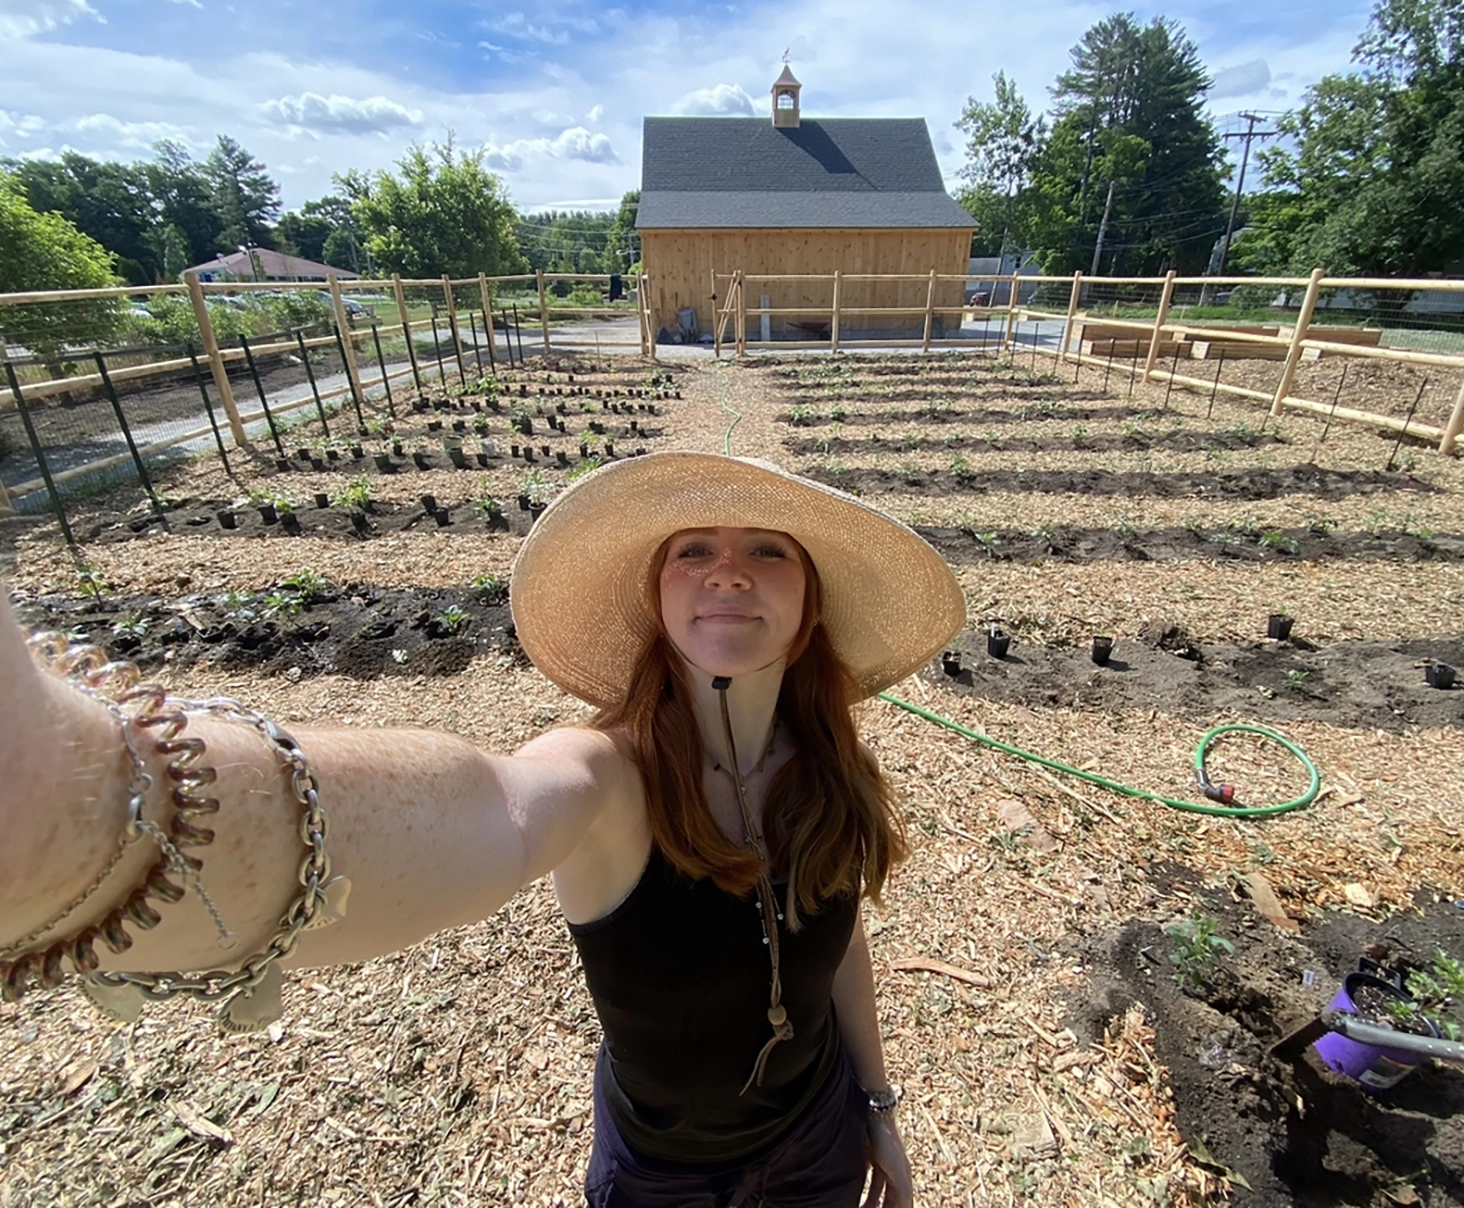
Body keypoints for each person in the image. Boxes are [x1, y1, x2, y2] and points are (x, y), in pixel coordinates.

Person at [0, 452, 967, 1207]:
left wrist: (877, 1106)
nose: (726, 570)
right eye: (691, 550)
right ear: (659, 597)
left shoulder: (831, 771)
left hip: (820, 1141)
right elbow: (491, 812)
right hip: (665, 1176)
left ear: (808, 610)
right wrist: (101, 817)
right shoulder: (604, 778)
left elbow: (836, 938)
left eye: (768, 550)